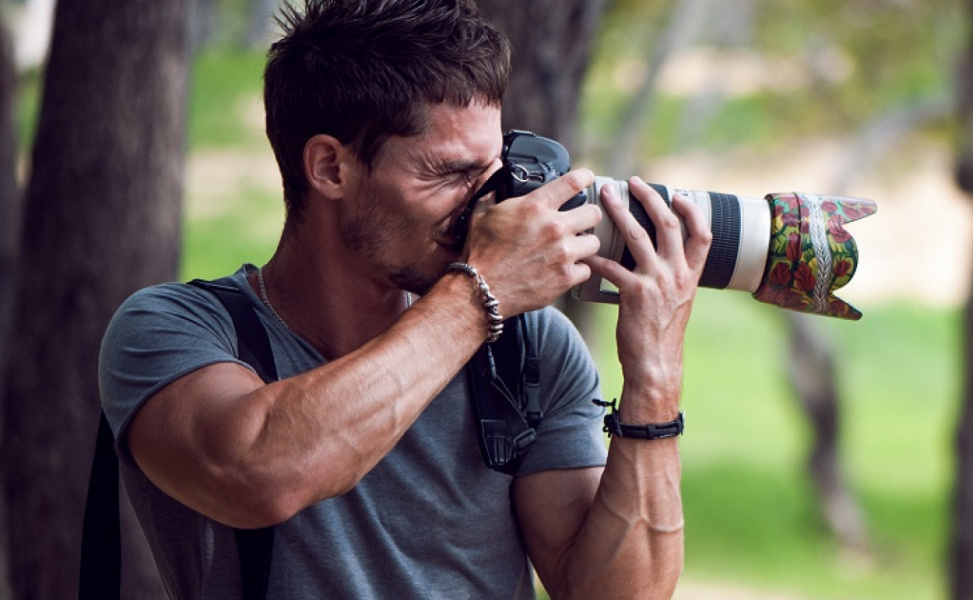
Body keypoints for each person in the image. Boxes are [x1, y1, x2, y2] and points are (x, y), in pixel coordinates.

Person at [97, 0, 712, 598]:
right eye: (451, 175)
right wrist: (481, 293)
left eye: (492, 170)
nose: (488, 204)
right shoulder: (172, 330)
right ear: (330, 168)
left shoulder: (525, 349)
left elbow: (611, 594)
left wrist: (653, 382)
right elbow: (257, 475)